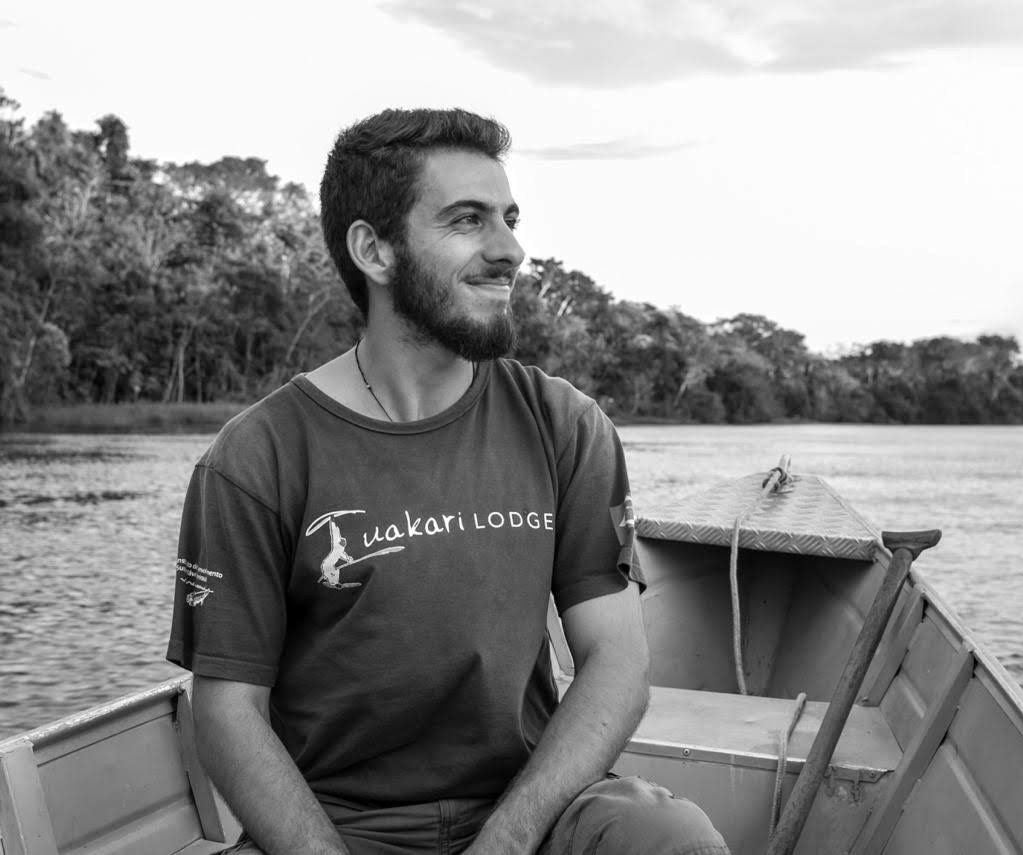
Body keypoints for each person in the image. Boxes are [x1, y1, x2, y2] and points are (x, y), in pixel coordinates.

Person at [166, 108, 729, 855]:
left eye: (509, 219)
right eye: (467, 220)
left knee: (669, 835)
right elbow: (227, 711)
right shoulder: (256, 458)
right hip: (336, 827)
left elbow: (618, 663)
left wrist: (507, 840)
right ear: (374, 250)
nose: (510, 250)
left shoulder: (563, 424)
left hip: (531, 809)